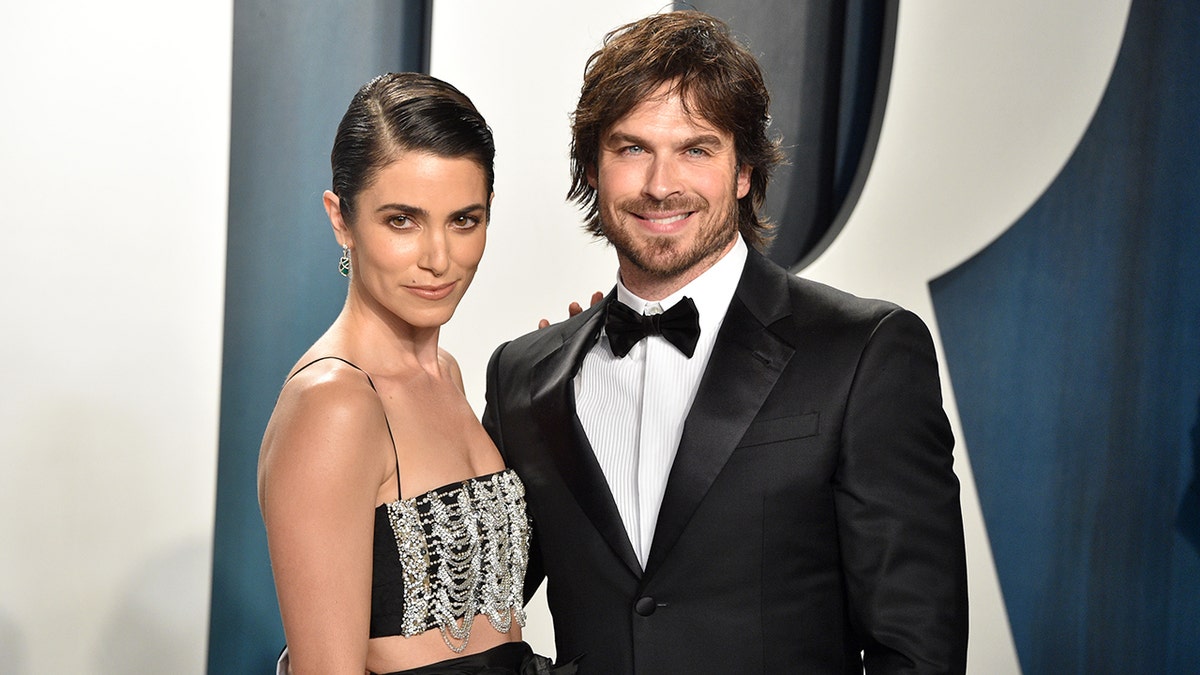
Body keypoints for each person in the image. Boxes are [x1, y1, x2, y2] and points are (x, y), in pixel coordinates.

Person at [483, 10, 968, 674]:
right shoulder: (522, 377)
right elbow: (474, 620)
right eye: (631, 149)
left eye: (695, 148)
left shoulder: (865, 352)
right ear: (592, 169)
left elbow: (918, 649)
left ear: (744, 171)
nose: (660, 184)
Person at [258, 73, 571, 675]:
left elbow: (476, 600)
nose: (437, 257)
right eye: (402, 220)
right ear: (341, 219)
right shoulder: (335, 403)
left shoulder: (446, 374)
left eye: (463, 220)